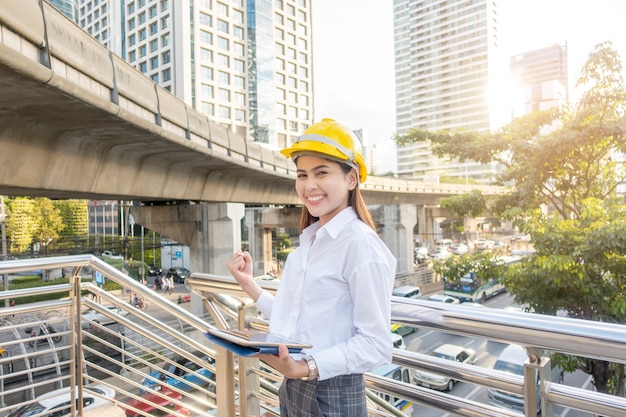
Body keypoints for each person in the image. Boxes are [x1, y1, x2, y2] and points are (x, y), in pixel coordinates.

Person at [227, 118, 396, 417]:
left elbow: (376, 344)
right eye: (302, 174)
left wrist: (307, 367)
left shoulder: (360, 245)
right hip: (295, 386)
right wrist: (249, 285)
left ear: (351, 179)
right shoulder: (311, 242)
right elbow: (297, 314)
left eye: (322, 173)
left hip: (333, 393)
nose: (309, 185)